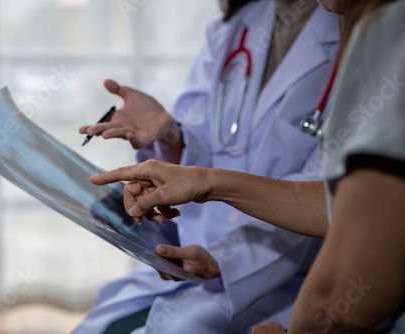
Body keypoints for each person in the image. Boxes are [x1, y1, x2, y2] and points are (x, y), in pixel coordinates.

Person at [90, 0, 405, 332]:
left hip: (291, 270)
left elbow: (331, 198)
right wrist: (169, 137)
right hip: (196, 253)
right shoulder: (235, 26)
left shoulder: (371, 28)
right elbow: (210, 141)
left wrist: (226, 256)